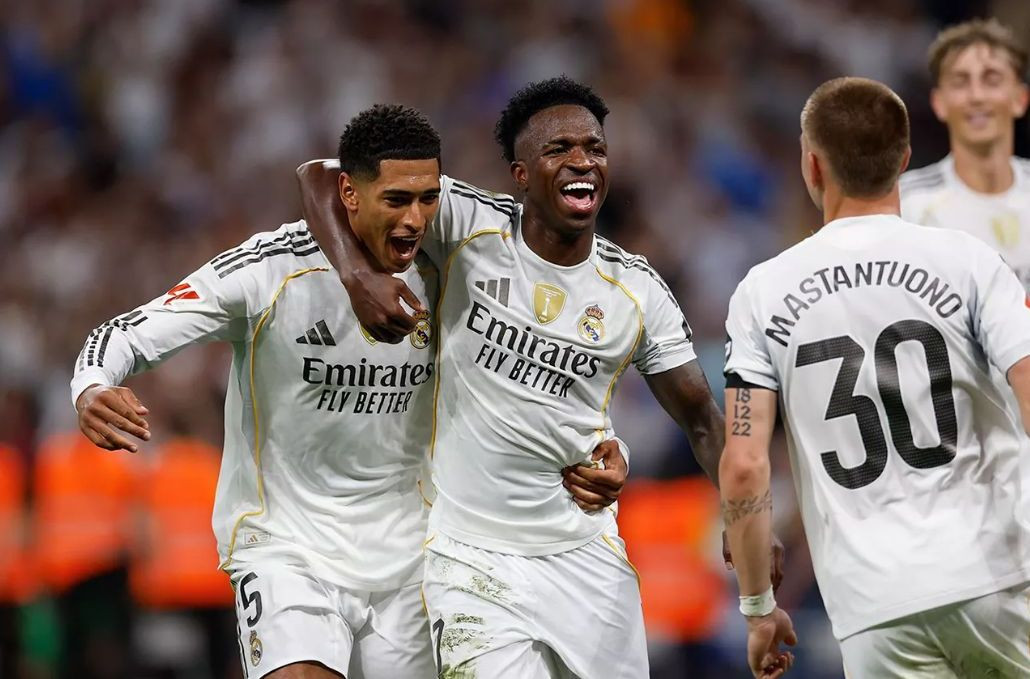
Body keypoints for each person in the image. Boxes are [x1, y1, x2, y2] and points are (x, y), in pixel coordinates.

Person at [298, 76, 784, 678]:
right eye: (560, 149)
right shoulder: (467, 225)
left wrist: (744, 514)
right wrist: (359, 278)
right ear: (521, 174)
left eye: (595, 148)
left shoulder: (636, 291)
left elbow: (703, 421)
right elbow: (321, 175)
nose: (582, 161)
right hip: (470, 560)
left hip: (586, 559)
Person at [75, 105, 448, 679]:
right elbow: (128, 332)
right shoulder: (268, 270)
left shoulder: (450, 264)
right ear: (349, 193)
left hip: (411, 554)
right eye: (396, 200)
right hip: (286, 546)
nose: (415, 219)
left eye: (428, 199)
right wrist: (92, 385)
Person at [721, 76, 1030, 678]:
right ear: (904, 160)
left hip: (874, 609)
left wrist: (758, 609)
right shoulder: (969, 261)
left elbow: (744, 465)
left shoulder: (762, 294)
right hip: (999, 578)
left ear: (813, 165)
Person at [900, 17, 1030, 514]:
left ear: (1019, 98)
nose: (976, 95)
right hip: (952, 461)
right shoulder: (906, 206)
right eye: (961, 81)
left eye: (991, 79)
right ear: (939, 102)